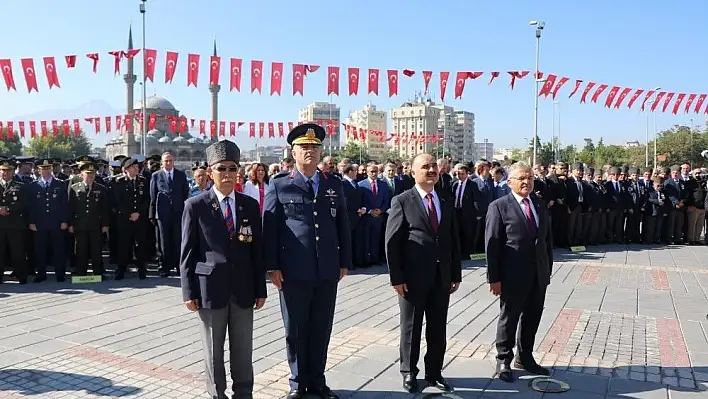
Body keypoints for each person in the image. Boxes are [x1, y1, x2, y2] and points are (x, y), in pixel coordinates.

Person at [263, 123, 351, 399]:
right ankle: (297, 382)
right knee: (296, 328)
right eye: (304, 147)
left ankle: (317, 380)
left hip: (326, 269)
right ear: (294, 152)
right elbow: (269, 229)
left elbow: (342, 225)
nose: (310, 151)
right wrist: (272, 267)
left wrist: (344, 260)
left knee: (321, 327)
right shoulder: (279, 184)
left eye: (315, 147)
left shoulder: (333, 184)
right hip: (293, 271)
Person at [180, 139, 266, 399]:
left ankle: (244, 393)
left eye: (232, 168)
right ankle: (217, 394)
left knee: (243, 348)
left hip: (243, 288)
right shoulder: (195, 206)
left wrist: (260, 288)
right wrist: (188, 292)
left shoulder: (249, 206)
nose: (227, 174)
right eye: (221, 169)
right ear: (210, 172)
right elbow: (187, 252)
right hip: (210, 289)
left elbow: (256, 250)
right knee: (213, 351)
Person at [384, 153, 462, 393]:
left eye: (434, 167)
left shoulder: (445, 201)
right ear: (413, 172)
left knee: (438, 328)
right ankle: (409, 372)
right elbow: (392, 242)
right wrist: (397, 277)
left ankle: (434, 372)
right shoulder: (402, 201)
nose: (431, 170)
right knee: (411, 327)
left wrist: (455, 273)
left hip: (441, 276)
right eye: (425, 166)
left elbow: (453, 240)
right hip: (412, 278)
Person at [485, 163, 553, 382]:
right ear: (510, 182)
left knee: (532, 317)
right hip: (512, 274)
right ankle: (503, 359)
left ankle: (525, 357)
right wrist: (494, 278)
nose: (527, 182)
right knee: (509, 318)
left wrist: (547, 269)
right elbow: (492, 245)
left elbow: (546, 241)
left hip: (537, 273)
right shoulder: (499, 206)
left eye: (531, 178)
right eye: (522, 178)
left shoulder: (540, 205)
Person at [27, 158, 69, 283]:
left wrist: (64, 221)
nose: (46, 171)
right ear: (38, 170)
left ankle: (60, 274)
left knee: (59, 250)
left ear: (51, 169)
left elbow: (65, 205)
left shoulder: (61, 184)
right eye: (43, 169)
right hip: (40, 223)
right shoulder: (33, 186)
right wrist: (31, 222)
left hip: (56, 223)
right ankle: (41, 274)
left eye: (48, 168)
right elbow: (30, 206)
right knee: (40, 250)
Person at [149, 151, 189, 277]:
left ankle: (178, 265)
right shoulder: (156, 176)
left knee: (178, 239)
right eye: (166, 161)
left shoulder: (181, 175)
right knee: (163, 241)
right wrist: (153, 214)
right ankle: (165, 266)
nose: (168, 163)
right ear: (162, 162)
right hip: (162, 213)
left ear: (173, 161)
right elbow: (153, 195)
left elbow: (185, 192)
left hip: (178, 212)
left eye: (170, 160)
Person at [68, 160, 110, 277]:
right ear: (81, 175)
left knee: (96, 250)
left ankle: (97, 272)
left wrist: (105, 224)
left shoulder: (100, 188)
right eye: (88, 174)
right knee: (81, 250)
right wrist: (70, 224)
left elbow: (104, 208)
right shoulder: (74, 188)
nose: (91, 176)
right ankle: (81, 272)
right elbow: (70, 207)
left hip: (95, 224)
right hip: (79, 224)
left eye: (93, 174)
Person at [0, 158, 29, 284]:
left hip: (15, 224)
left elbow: (24, 203)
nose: (5, 173)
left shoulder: (20, 186)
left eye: (8, 170)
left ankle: (21, 276)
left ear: (13, 171)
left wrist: (9, 209)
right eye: (3, 170)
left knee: (18, 252)